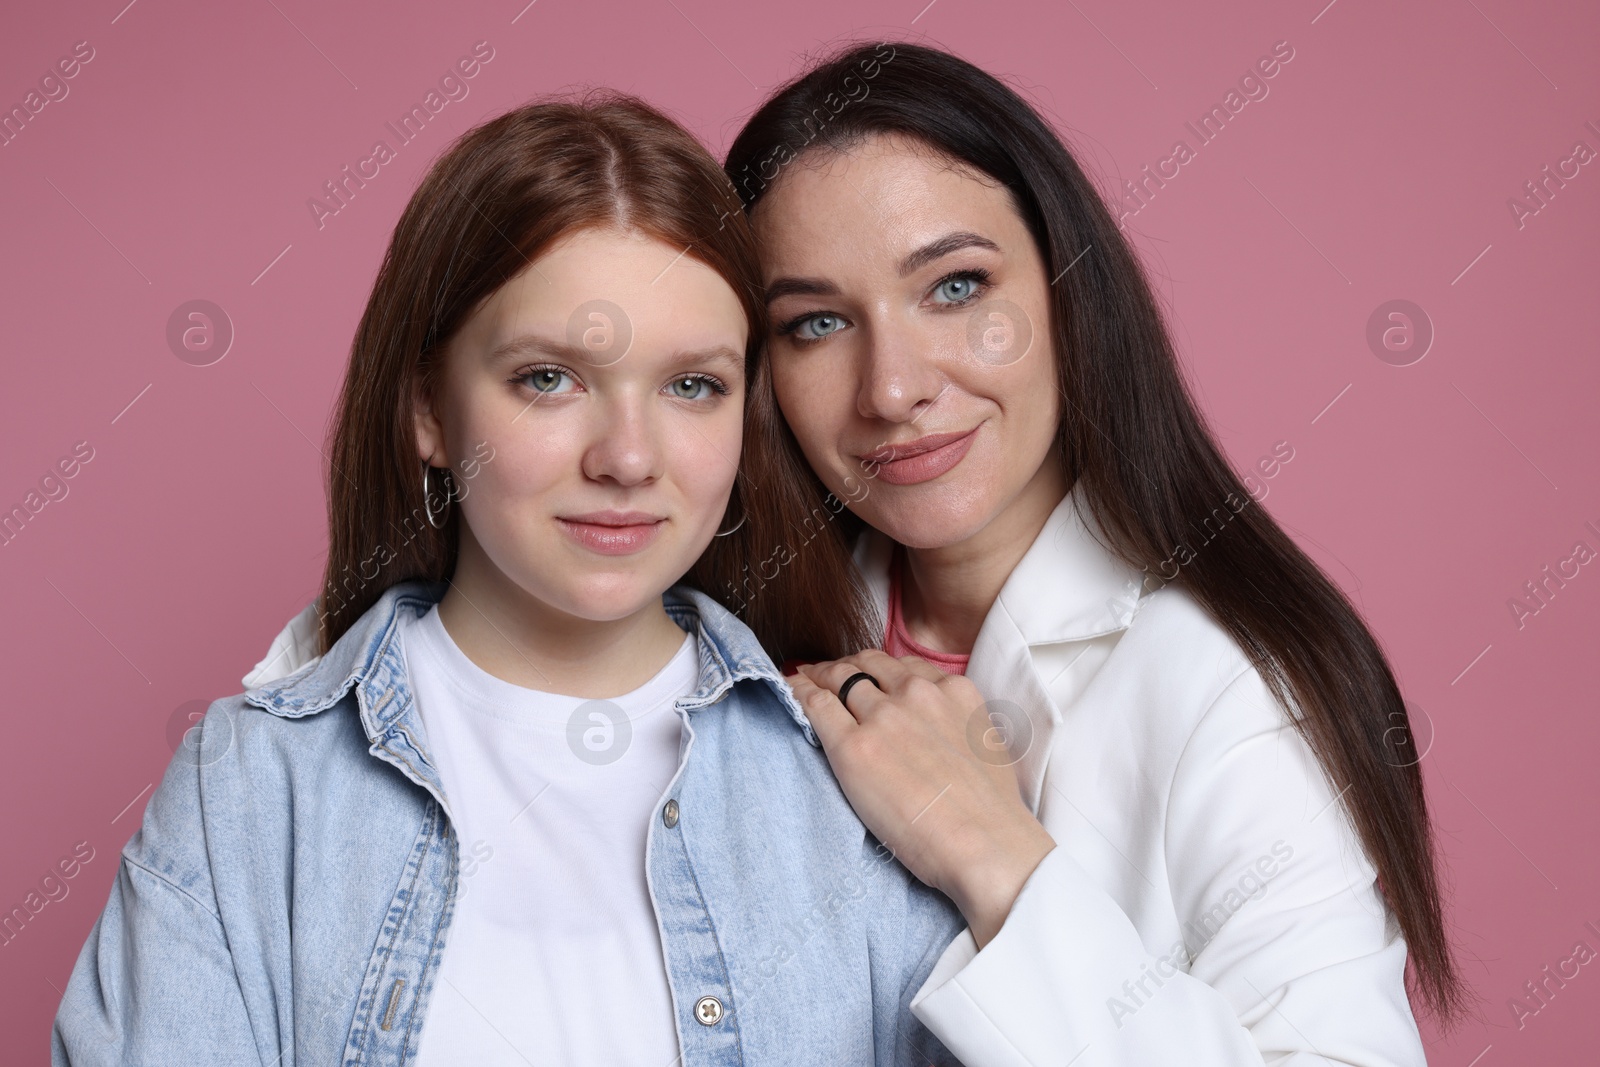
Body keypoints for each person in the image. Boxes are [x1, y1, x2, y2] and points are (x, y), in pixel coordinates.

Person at [50, 93, 967, 1066]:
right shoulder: (247, 790)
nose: (627, 456)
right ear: (427, 412)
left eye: (691, 385)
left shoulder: (861, 777)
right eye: (549, 377)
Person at [717, 41, 1465, 1066]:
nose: (890, 386)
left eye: (953, 288)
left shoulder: (1222, 685)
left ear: (1070, 288)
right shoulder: (734, 653)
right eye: (816, 322)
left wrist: (995, 857)